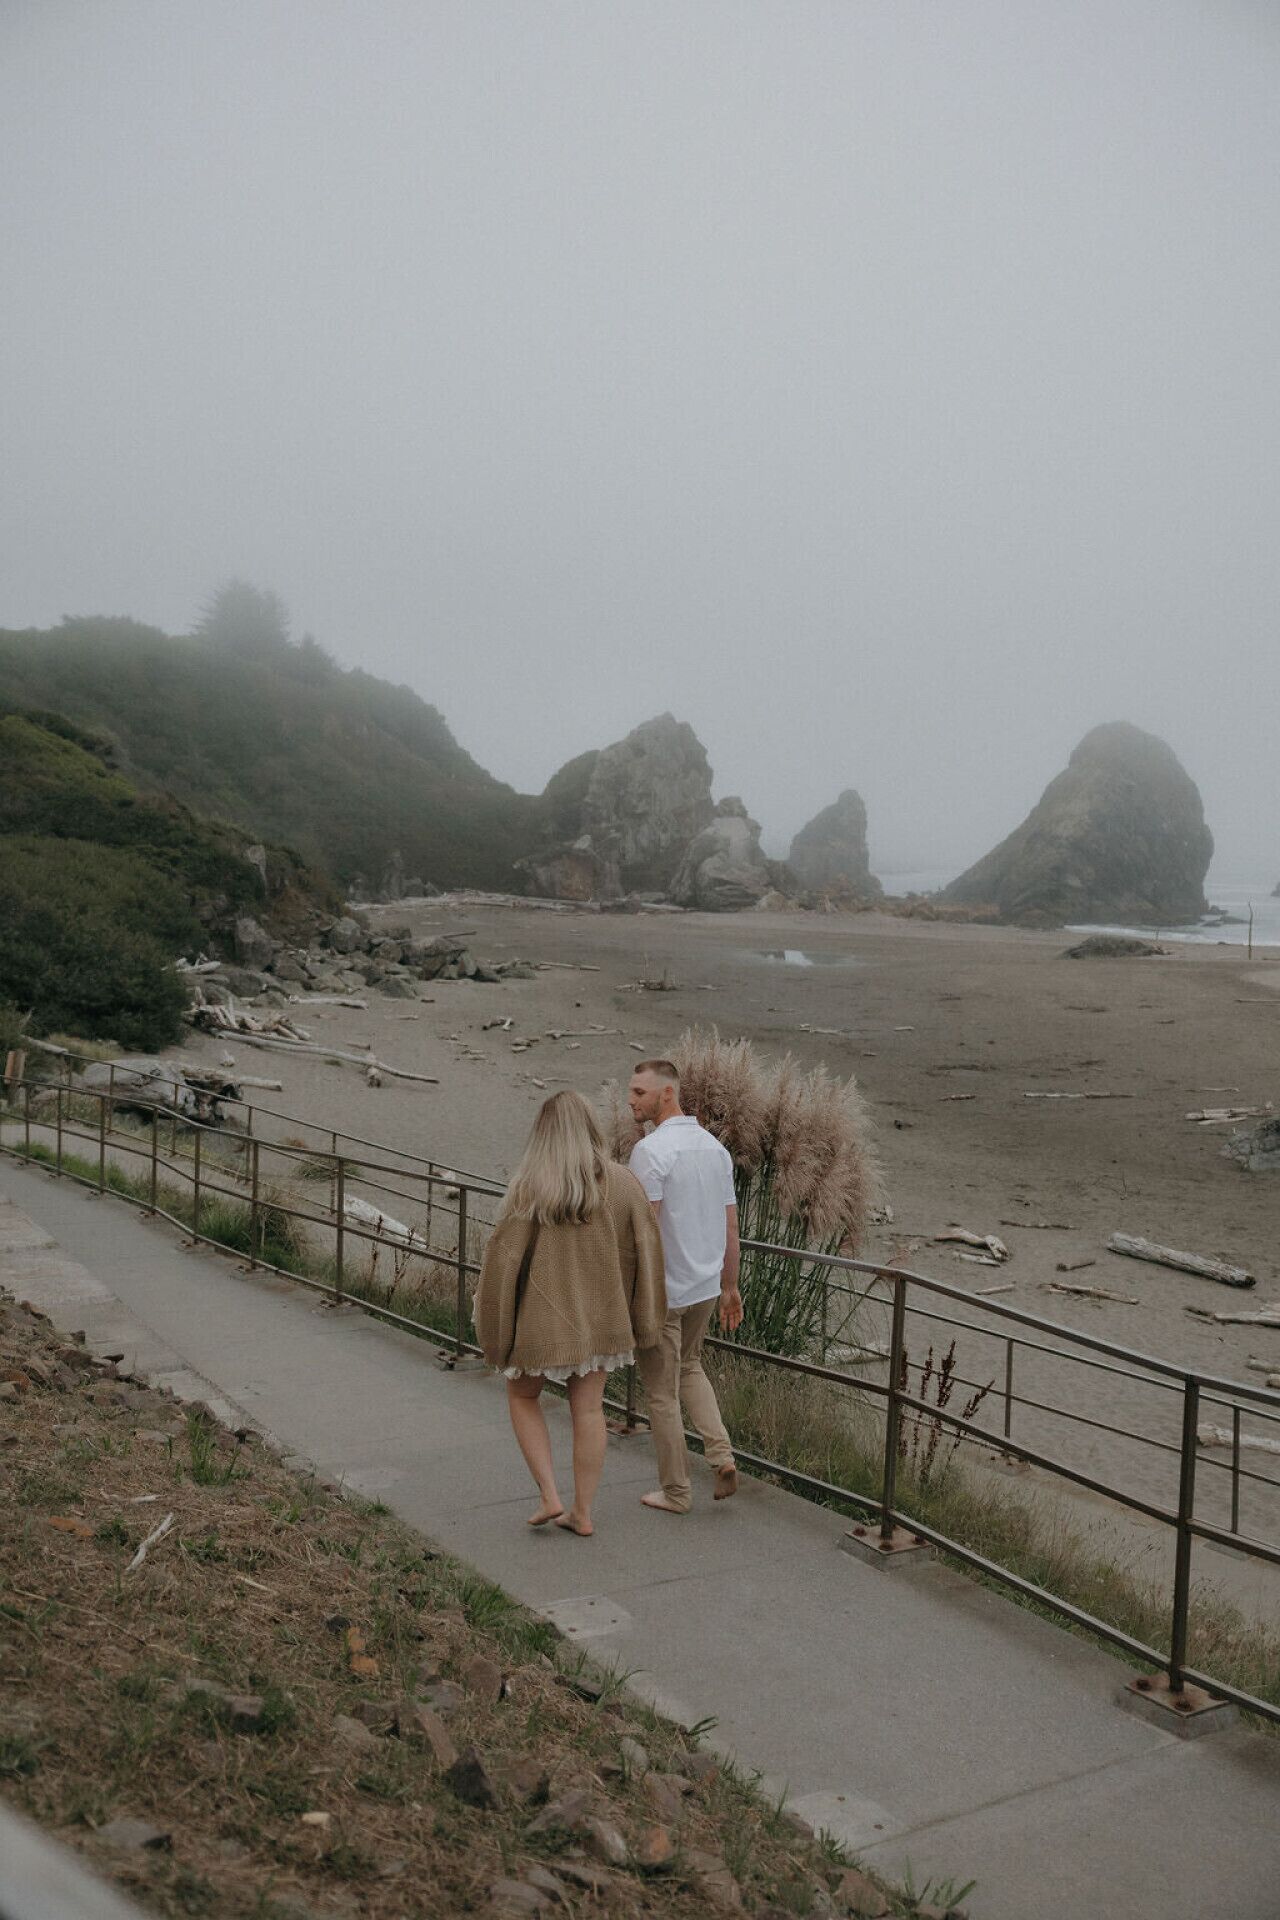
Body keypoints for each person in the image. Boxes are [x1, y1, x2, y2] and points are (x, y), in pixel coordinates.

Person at [473, 1090, 666, 1537]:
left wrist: (496, 1334)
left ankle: (549, 1495)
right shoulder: (623, 1185)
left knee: (523, 1397)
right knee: (589, 1410)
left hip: (541, 1322)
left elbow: (502, 1263)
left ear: (543, 1135)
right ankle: (582, 1511)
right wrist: (645, 1319)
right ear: (590, 1128)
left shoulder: (530, 1188)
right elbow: (647, 1253)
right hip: (603, 1323)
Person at [627, 1059, 743, 1513]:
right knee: (691, 1368)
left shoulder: (651, 1151)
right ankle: (721, 1455)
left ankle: (676, 1491)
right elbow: (730, 1227)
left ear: (667, 1093)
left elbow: (643, 1230)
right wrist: (729, 1286)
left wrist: (630, 1291)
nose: (631, 1101)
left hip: (665, 1291)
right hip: (704, 1286)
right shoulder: (715, 1149)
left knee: (660, 1391)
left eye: (640, 1093)